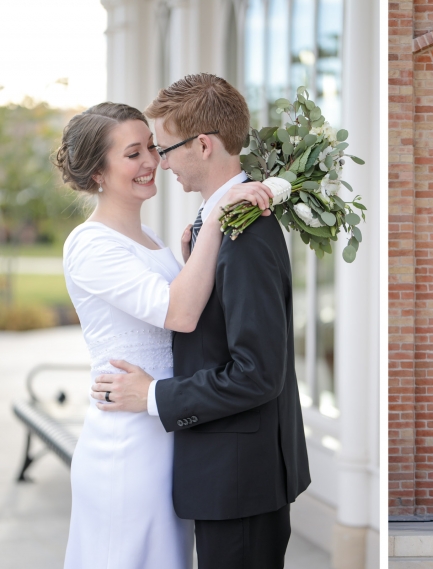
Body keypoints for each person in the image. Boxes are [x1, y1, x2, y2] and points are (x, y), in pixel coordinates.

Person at [90, 73, 311, 569]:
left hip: (239, 481)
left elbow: (258, 373)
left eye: (165, 148)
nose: (160, 162)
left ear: (204, 145)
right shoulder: (218, 226)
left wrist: (152, 395)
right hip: (227, 475)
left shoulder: (246, 232)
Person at [56, 102, 273, 568]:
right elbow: (179, 313)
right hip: (128, 442)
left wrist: (192, 254)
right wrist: (214, 220)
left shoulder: (151, 237)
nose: (152, 161)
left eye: (152, 147)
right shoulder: (90, 245)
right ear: (97, 172)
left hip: (169, 425)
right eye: (132, 153)